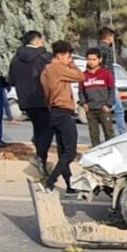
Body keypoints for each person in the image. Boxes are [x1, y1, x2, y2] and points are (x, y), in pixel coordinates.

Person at [39, 40, 85, 193]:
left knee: (62, 150)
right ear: (60, 56)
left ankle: (70, 185)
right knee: (70, 151)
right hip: (63, 111)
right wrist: (71, 64)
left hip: (53, 111)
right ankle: (50, 182)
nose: (69, 60)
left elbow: (46, 94)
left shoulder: (46, 71)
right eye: (68, 56)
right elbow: (80, 76)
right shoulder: (58, 68)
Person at [8, 31, 53, 173]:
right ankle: (41, 157)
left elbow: (11, 80)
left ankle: (40, 156)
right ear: (37, 41)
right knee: (47, 129)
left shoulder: (16, 58)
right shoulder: (44, 57)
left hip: (25, 100)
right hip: (43, 98)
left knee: (38, 127)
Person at [79, 48, 116, 145]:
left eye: (94, 59)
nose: (91, 62)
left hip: (104, 109)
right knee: (94, 134)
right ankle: (96, 154)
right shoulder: (83, 75)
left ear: (100, 60)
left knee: (109, 133)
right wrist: (84, 103)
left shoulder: (106, 74)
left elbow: (112, 90)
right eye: (89, 59)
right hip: (90, 110)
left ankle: (110, 153)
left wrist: (108, 104)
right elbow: (81, 91)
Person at [97, 27, 125, 135]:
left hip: (98, 83)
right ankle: (121, 133)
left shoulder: (96, 49)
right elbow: (108, 67)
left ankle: (106, 133)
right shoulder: (108, 49)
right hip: (108, 83)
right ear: (109, 37)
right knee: (119, 109)